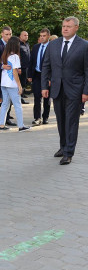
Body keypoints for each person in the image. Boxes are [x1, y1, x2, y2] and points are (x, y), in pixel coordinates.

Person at [41, 16, 88, 165]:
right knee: (61, 121)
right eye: (63, 26)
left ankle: (68, 153)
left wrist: (86, 92)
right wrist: (44, 86)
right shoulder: (53, 45)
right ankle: (63, 146)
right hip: (57, 89)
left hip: (75, 90)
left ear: (76, 28)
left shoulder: (84, 45)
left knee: (71, 122)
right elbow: (46, 67)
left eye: (68, 26)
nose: (65, 28)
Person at [0, 37, 30, 132]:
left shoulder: (5, 55)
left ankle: (1, 124)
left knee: (4, 104)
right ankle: (21, 126)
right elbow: (15, 72)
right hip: (12, 84)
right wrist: (19, 85)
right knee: (17, 104)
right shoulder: (15, 56)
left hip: (4, 83)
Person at [0, 26, 16, 128]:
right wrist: (2, 66)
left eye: (10, 34)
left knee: (8, 97)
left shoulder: (12, 46)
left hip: (9, 76)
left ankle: (7, 117)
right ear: (2, 34)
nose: (9, 36)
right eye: (6, 34)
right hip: (0, 76)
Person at [27, 28, 51, 125]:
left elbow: (54, 64)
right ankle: (37, 117)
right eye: (41, 36)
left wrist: (50, 78)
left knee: (47, 98)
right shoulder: (36, 47)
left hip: (47, 76)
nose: (42, 38)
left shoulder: (52, 47)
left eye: (44, 36)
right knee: (37, 96)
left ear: (48, 36)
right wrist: (29, 75)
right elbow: (31, 61)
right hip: (37, 74)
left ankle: (45, 117)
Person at [19, 31, 30, 104]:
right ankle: (19, 98)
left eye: (27, 35)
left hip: (27, 67)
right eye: (24, 35)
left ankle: (21, 97)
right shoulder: (18, 45)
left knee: (24, 83)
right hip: (20, 68)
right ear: (20, 36)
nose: (26, 36)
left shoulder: (27, 44)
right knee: (20, 83)